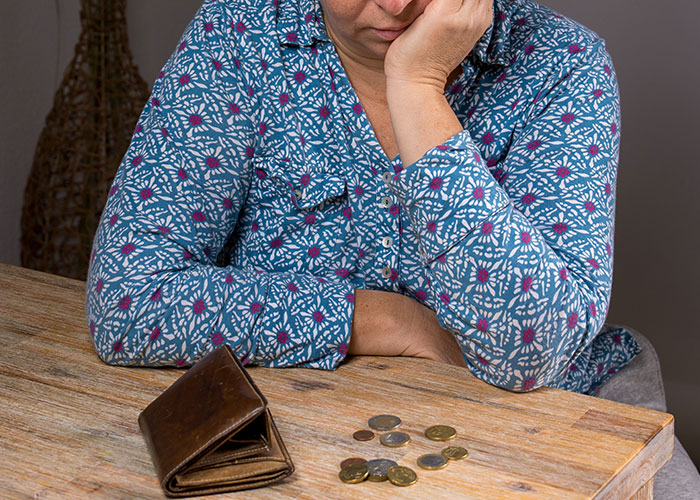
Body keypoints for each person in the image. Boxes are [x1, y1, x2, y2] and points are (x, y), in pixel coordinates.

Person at [85, 0, 700, 496]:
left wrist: (419, 86)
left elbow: (531, 350)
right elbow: (127, 296)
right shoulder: (237, 35)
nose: (396, 4)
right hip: (315, 413)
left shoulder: (564, 63)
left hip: (564, 406)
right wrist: (389, 320)